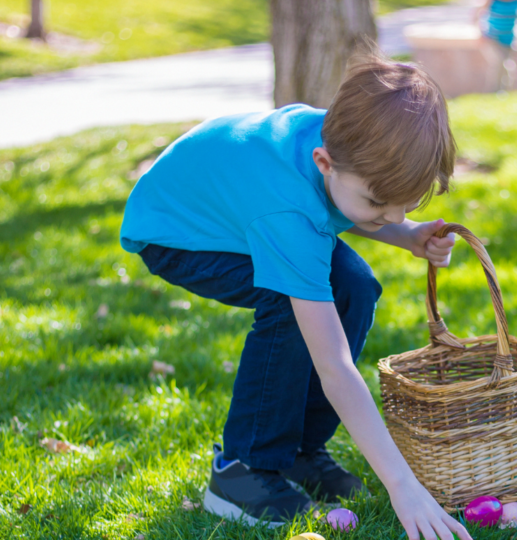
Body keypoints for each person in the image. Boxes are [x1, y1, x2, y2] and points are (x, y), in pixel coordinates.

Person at [119, 53, 471, 540]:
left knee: (355, 286)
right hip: (176, 231)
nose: (391, 216)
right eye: (378, 203)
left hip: (240, 209)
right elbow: (335, 367)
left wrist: (408, 234)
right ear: (324, 162)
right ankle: (241, 470)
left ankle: (300, 452)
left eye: (405, 204)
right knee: (289, 299)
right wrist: (402, 485)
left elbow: (343, 202)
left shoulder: (339, 147)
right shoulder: (288, 208)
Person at [474, 0, 517, 92]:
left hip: (510, 40)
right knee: (499, 63)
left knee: (511, 67)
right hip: (493, 39)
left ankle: (509, 92)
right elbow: (478, 13)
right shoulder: (492, 1)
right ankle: (494, 91)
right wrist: (480, 33)